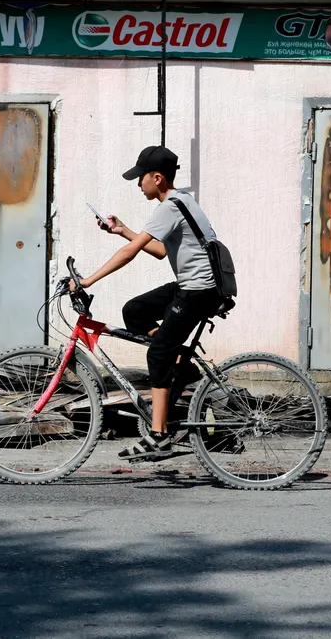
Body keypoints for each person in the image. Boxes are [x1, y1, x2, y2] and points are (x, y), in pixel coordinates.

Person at [71, 145, 222, 458]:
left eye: (141, 178)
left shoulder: (170, 206)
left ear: (157, 178)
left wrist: (87, 281)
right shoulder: (181, 201)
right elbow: (161, 251)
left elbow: (131, 253)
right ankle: (180, 364)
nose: (139, 183)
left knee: (157, 354)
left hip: (199, 290)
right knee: (135, 311)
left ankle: (159, 435)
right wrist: (122, 229)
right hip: (193, 286)